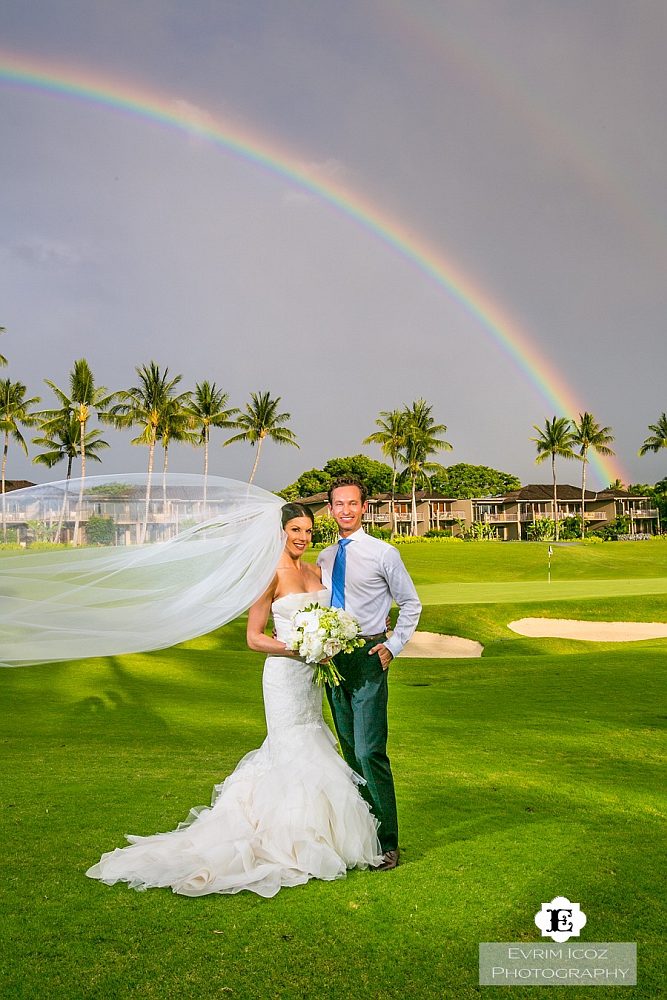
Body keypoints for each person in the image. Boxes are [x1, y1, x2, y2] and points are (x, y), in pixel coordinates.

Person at [86, 502, 382, 898]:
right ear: (281, 531)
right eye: (296, 529)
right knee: (291, 746)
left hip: (312, 677)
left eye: (309, 531)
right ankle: (287, 838)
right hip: (284, 674)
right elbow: (254, 637)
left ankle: (320, 837)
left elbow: (342, 610)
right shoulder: (268, 576)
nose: (303, 537)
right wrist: (302, 649)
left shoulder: (315, 571)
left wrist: (338, 637)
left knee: (313, 738)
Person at [317, 478, 422, 871]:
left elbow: (411, 604)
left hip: (367, 656)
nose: (345, 510)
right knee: (348, 751)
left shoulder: (384, 554)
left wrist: (393, 646)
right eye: (338, 504)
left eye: (352, 504)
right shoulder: (325, 558)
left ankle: (388, 842)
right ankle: (362, 836)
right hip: (331, 660)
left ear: (364, 508)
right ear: (330, 509)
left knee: (368, 750)